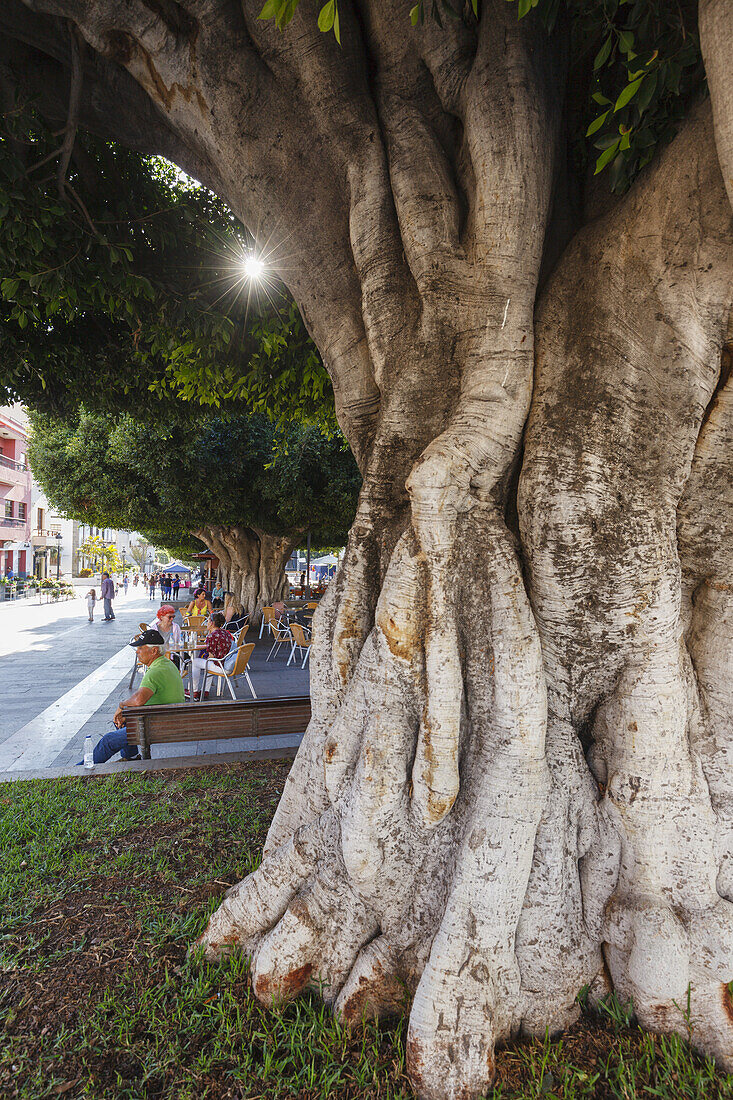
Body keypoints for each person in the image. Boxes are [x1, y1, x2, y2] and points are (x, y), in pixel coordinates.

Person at [80, 629, 185, 764]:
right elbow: (140, 697)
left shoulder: (155, 672)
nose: (137, 652)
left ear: (154, 651)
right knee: (122, 720)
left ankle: (74, 771)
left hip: (156, 725)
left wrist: (121, 705)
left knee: (108, 741)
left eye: (141, 648)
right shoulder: (167, 664)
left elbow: (138, 700)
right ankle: (131, 758)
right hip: (169, 719)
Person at [187, 612, 235, 699]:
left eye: (208, 621)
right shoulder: (226, 633)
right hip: (228, 663)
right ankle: (205, 690)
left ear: (212, 623)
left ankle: (193, 690)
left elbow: (211, 656)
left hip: (221, 666)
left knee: (196, 662)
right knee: (208, 663)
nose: (207, 623)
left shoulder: (211, 636)